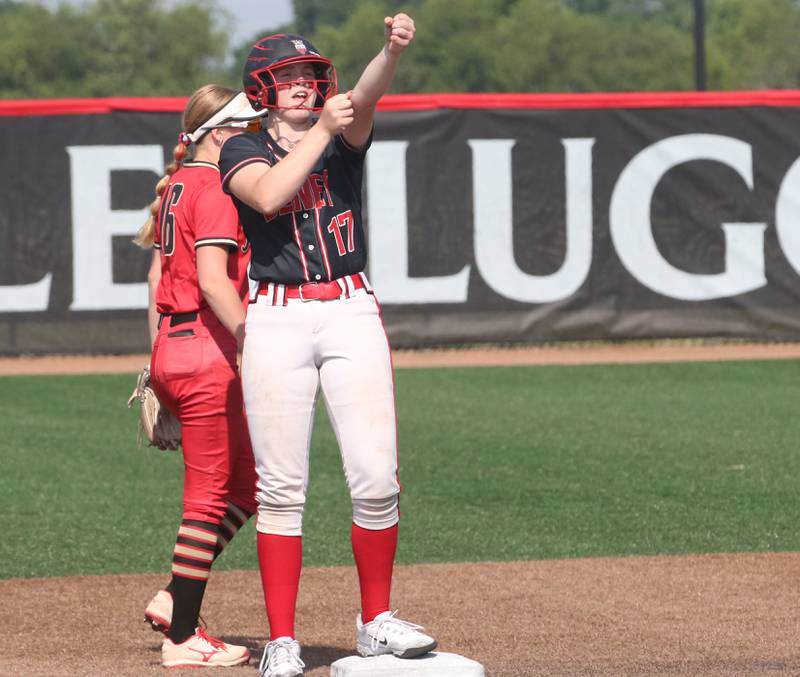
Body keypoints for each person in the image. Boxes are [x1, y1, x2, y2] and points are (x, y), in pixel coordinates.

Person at [218, 14, 436, 677]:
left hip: (349, 306)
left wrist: (391, 51)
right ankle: (281, 639)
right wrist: (321, 130)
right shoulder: (239, 147)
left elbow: (365, 97)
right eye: (288, 78)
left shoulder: (342, 138)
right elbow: (270, 194)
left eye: (311, 77)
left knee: (375, 475)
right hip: (277, 317)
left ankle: (374, 622)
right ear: (262, 89)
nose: (304, 87)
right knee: (282, 488)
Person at [135, 84, 266, 669]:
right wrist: (253, 342)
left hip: (176, 344)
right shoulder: (213, 186)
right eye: (244, 126)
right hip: (207, 349)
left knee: (250, 484)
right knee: (210, 497)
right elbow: (215, 283)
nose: (255, 134)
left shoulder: (180, 184)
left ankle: (174, 597)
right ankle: (183, 636)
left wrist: (156, 366)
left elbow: (155, 277)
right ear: (218, 131)